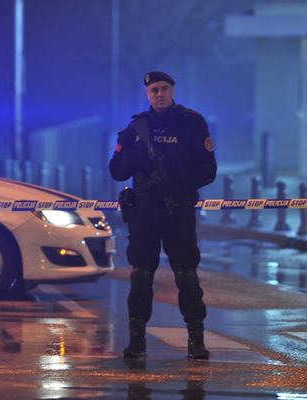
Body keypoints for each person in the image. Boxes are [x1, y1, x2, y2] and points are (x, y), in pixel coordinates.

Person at [109, 71, 217, 359]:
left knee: (186, 274)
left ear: (173, 90)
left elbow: (209, 170)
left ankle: (196, 340)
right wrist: (136, 156)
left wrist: (180, 182)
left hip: (178, 210)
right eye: (154, 89)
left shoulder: (191, 124)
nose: (159, 93)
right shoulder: (136, 128)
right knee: (141, 275)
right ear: (147, 94)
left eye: (164, 88)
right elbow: (117, 171)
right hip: (144, 211)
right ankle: (137, 341)